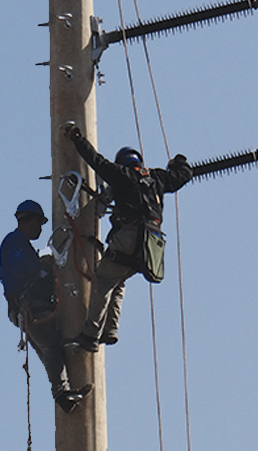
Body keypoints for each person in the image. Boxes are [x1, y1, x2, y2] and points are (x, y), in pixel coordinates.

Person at [59, 122, 192, 351]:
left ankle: (91, 335)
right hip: (151, 245)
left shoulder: (121, 175)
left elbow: (95, 160)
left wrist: (76, 137)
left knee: (103, 280)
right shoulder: (157, 177)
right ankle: (110, 329)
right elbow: (184, 174)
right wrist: (178, 161)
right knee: (118, 278)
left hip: (128, 238)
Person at [0, 201, 89, 411]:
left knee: (51, 350)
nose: (40, 228)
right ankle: (62, 393)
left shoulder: (19, 243)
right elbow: (24, 268)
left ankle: (62, 391)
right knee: (51, 345)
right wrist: (44, 268)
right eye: (38, 223)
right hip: (30, 307)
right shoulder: (14, 241)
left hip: (29, 308)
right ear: (27, 220)